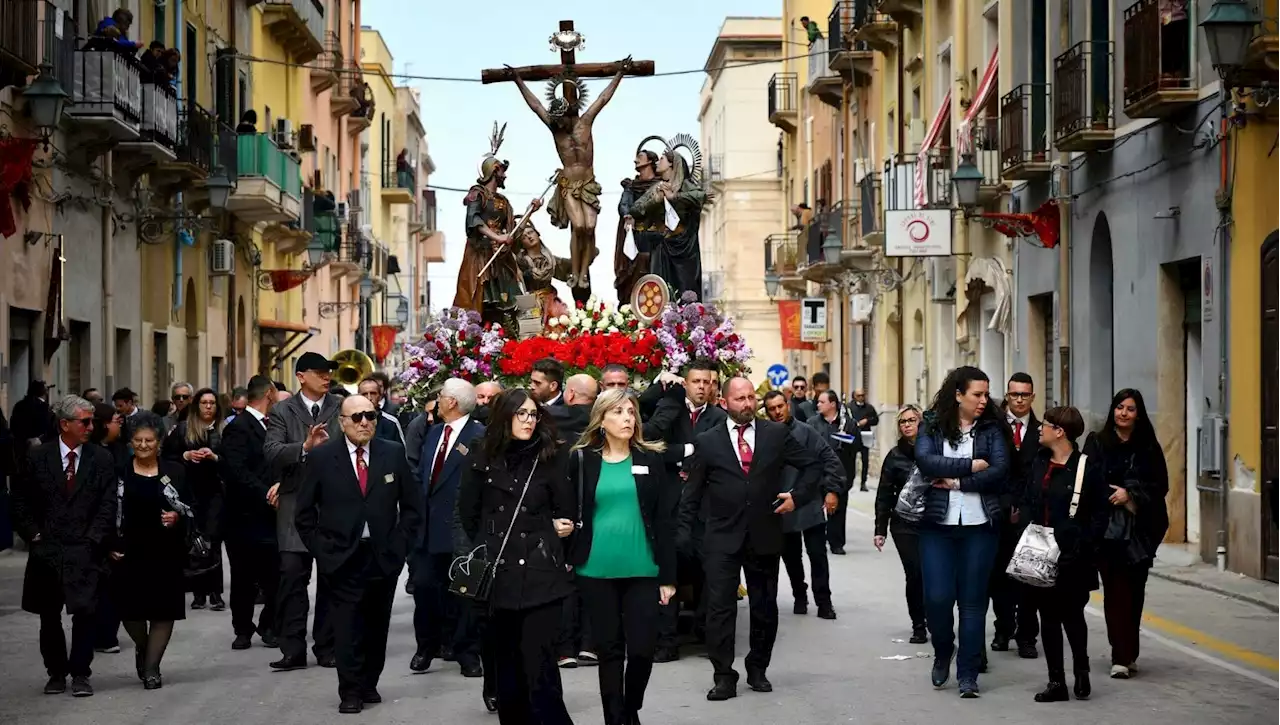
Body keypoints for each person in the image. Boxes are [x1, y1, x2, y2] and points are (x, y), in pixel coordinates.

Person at [679, 377, 821, 701]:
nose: (747, 404)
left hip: (764, 535)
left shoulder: (775, 434)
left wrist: (797, 497)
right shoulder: (708, 441)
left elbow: (812, 465)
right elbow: (692, 494)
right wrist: (684, 536)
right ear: (724, 402)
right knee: (720, 610)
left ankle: (758, 668)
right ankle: (723, 676)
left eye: (750, 397)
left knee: (764, 608)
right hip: (721, 538)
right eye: (739, 399)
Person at [294, 395, 422, 714]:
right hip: (341, 557)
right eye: (356, 417)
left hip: (382, 556)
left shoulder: (392, 454)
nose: (363, 422)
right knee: (347, 626)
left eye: (369, 415)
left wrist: (401, 542)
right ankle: (350, 690)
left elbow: (412, 506)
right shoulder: (323, 457)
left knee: (377, 625)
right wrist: (322, 550)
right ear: (342, 422)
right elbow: (304, 513)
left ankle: (369, 683)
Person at [456, 389, 575, 724]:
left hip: (541, 572)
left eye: (533, 414)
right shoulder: (481, 454)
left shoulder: (550, 454)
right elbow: (470, 513)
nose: (528, 420)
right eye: (521, 413)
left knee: (541, 667)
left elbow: (566, 509)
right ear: (504, 416)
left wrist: (550, 529)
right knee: (506, 668)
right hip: (498, 574)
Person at [569, 388, 675, 725]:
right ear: (601, 420)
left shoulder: (650, 459)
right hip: (596, 569)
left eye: (631, 412)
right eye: (618, 412)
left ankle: (631, 709)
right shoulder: (582, 459)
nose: (627, 418)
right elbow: (568, 507)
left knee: (643, 650)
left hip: (643, 568)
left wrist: (668, 576)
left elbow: (664, 519)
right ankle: (615, 718)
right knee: (610, 651)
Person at [914, 366, 1012, 698]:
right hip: (936, 526)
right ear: (958, 395)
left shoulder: (992, 428)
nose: (984, 400)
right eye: (977, 394)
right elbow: (927, 463)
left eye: (986, 394)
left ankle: (968, 674)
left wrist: (956, 481)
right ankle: (944, 650)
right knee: (937, 599)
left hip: (980, 526)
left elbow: (999, 471)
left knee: (973, 604)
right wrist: (971, 465)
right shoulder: (930, 423)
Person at [12, 395, 117, 697]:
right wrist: (32, 533)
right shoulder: (38, 457)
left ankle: (81, 673)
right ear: (65, 424)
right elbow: (20, 500)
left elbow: (108, 505)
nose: (90, 426)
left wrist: (95, 538)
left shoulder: (101, 458)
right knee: (49, 615)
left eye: (92, 421)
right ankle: (56, 672)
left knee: (85, 614)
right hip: (48, 550)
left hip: (84, 550)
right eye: (84, 421)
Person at [509, 61, 631, 291]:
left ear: (567, 112)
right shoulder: (555, 129)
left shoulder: (585, 122)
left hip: (587, 184)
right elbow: (536, 106)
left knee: (590, 227)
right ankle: (575, 272)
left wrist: (620, 74)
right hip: (568, 184)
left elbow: (603, 98)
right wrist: (518, 80)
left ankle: (584, 272)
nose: (558, 124)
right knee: (579, 226)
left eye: (560, 120)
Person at [1023, 406, 1110, 703]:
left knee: (1072, 615)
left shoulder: (1087, 467)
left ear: (1059, 431)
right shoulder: (1040, 461)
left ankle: (1081, 669)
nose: (1039, 428)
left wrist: (1084, 545)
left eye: (1045, 425)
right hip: (1041, 552)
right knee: (1047, 616)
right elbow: (1029, 500)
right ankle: (1056, 682)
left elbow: (1100, 514)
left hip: (1074, 554)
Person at [264, 352, 344, 671]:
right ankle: (292, 649)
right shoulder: (282, 410)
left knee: (330, 580)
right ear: (301, 376)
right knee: (292, 580)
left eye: (329, 373)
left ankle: (326, 647)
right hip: (295, 507)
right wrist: (304, 448)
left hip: (332, 507)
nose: (326, 377)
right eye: (320, 372)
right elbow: (270, 452)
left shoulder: (340, 407)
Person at [1082, 388, 1168, 680]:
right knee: (1115, 592)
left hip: (1140, 531)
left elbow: (1161, 486)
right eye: (1120, 407)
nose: (1124, 413)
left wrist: (1130, 496)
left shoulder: (1148, 447)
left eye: (1130, 409)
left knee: (1135, 592)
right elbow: (1086, 480)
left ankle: (1130, 651)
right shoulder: (1098, 442)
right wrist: (1112, 495)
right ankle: (1120, 655)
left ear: (1138, 414)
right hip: (1107, 531)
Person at [410, 379, 487, 681]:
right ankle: (426, 647)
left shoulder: (480, 437)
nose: (438, 401)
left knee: (466, 595)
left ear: (452, 402)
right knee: (426, 590)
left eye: (441, 397)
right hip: (428, 530)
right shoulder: (433, 434)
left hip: (465, 532)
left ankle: (468, 654)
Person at [109, 419, 193, 689]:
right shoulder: (118, 472)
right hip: (129, 551)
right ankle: (144, 648)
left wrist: (177, 517)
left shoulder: (175, 471)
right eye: (138, 441)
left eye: (149, 441)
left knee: (163, 612)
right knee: (129, 612)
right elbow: (106, 512)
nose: (143, 445)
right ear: (131, 443)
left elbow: (192, 508)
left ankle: (152, 668)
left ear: (159, 444)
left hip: (166, 551)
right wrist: (109, 543)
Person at [762, 391, 843, 620]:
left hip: (809, 503)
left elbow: (829, 460)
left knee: (818, 556)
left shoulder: (807, 432)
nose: (777, 412)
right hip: (783, 508)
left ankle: (824, 602)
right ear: (767, 412)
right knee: (791, 558)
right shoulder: (765, 436)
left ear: (788, 405)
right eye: (772, 408)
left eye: (780, 406)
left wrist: (832, 490)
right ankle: (800, 595)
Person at [452, 123, 542, 323]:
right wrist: (496, 237)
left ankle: (524, 336)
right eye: (502, 171)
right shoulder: (477, 194)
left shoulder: (503, 201)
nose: (505, 175)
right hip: (481, 257)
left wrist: (530, 211)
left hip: (502, 259)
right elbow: (473, 221)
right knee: (479, 303)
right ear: (494, 171)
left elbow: (513, 230)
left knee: (516, 297)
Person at [219, 375, 280, 650]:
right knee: (243, 577)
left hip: (273, 514)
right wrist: (266, 491)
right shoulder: (239, 427)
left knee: (275, 575)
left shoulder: (276, 426)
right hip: (243, 516)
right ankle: (242, 629)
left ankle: (269, 625)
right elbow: (235, 470)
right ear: (269, 394)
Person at [162, 388, 226, 611]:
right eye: (204, 403)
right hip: (190, 492)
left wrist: (215, 456)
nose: (208, 406)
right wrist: (186, 455)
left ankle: (216, 593)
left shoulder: (224, 429)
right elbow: (166, 457)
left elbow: (233, 461)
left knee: (214, 541)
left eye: (212, 403)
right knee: (196, 541)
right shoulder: (183, 430)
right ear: (196, 406)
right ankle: (199, 593)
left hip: (216, 492)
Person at [995, 372, 1042, 658]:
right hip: (998, 512)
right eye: (1015, 394)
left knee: (1028, 576)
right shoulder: (993, 427)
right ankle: (1003, 629)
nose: (1020, 399)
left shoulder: (1042, 430)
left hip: (1030, 515)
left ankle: (1027, 636)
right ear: (1007, 395)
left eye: (1025, 394)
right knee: (999, 577)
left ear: (1032, 397)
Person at [873, 405, 928, 643]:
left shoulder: (934, 452)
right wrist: (880, 530)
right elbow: (884, 493)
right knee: (914, 572)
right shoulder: (894, 455)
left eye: (912, 420)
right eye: (902, 421)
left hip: (931, 521)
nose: (907, 424)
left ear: (921, 422)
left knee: (932, 574)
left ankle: (935, 619)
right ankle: (918, 624)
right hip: (903, 523)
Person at [630, 142, 708, 301]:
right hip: (662, 247)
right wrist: (654, 201)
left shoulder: (685, 186)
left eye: (662, 159)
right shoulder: (658, 188)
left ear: (672, 164)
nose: (658, 162)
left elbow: (701, 196)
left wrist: (675, 197)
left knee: (685, 290)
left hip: (684, 249)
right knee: (661, 291)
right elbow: (635, 209)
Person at [89, 402, 127, 654]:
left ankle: (106, 633)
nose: (120, 423)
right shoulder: (92, 455)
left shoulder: (119, 450)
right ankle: (101, 635)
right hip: (98, 533)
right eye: (115, 419)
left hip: (119, 528)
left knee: (116, 587)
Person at [615, 148, 663, 302]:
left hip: (656, 237)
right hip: (636, 236)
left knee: (654, 271)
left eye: (640, 157)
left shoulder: (660, 186)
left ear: (650, 161)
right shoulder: (631, 186)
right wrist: (628, 215)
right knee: (633, 272)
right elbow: (624, 204)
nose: (635, 160)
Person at [846, 389, 879, 492]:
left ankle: (863, 483)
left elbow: (876, 419)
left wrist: (867, 421)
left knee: (865, 460)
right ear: (854, 396)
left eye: (863, 395)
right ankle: (850, 479)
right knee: (851, 459)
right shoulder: (849, 407)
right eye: (859, 395)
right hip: (853, 436)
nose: (861, 397)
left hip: (865, 436)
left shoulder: (869, 408)